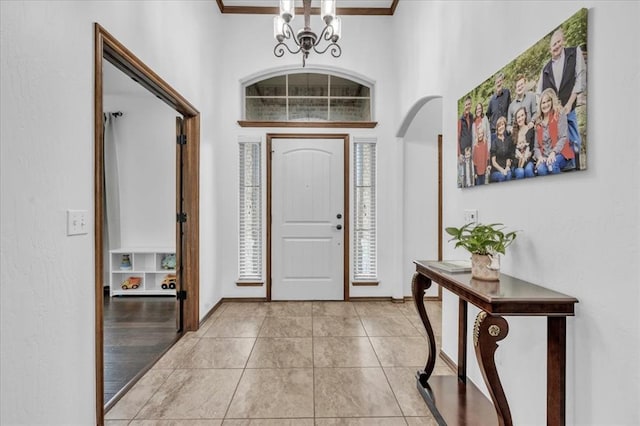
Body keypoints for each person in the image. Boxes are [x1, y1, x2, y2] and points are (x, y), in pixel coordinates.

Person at [537, 27, 586, 169]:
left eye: (559, 42)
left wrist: (570, 103)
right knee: (556, 145)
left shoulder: (573, 53)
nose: (557, 46)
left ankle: (577, 170)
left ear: (563, 41)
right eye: (554, 44)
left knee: (574, 142)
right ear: (549, 48)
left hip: (567, 109)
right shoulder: (545, 69)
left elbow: (580, 78)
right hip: (552, 116)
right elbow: (539, 93)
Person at [534, 88, 575, 175]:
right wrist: (540, 157)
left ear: (552, 101)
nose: (545, 105)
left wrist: (553, 152)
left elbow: (563, 137)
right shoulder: (538, 122)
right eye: (543, 103)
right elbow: (536, 147)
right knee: (541, 169)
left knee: (552, 165)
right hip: (545, 156)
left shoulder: (560, 114)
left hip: (560, 152)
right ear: (540, 105)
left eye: (548, 101)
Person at [512, 106, 535, 179]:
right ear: (516, 119)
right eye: (518, 117)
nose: (520, 118)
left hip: (528, 160)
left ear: (525, 116)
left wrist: (528, 154)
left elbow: (533, 147)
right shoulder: (514, 133)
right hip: (518, 162)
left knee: (528, 170)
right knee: (520, 172)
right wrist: (518, 156)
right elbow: (512, 152)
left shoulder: (531, 130)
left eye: (522, 115)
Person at [486, 72, 511, 138]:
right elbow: (487, 115)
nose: (499, 83)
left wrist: (509, 123)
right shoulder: (491, 100)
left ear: (502, 82)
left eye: (500, 81)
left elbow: (510, 109)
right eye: (497, 82)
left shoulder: (507, 93)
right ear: (495, 84)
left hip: (504, 128)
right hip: (494, 130)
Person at [490, 116, 514, 183]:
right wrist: (502, 170)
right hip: (496, 170)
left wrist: (507, 167)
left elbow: (508, 157)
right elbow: (493, 162)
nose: (501, 127)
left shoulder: (508, 140)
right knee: (502, 176)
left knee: (509, 174)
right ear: (497, 128)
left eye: (502, 125)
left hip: (505, 167)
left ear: (505, 126)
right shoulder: (494, 142)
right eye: (499, 126)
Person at [458, 96, 474, 187]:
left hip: (470, 151)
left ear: (471, 105)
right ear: (464, 106)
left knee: (469, 175)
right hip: (462, 153)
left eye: (469, 104)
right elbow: (458, 137)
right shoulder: (460, 120)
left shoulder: (472, 117)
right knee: (462, 175)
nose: (467, 106)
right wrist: (459, 153)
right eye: (466, 105)